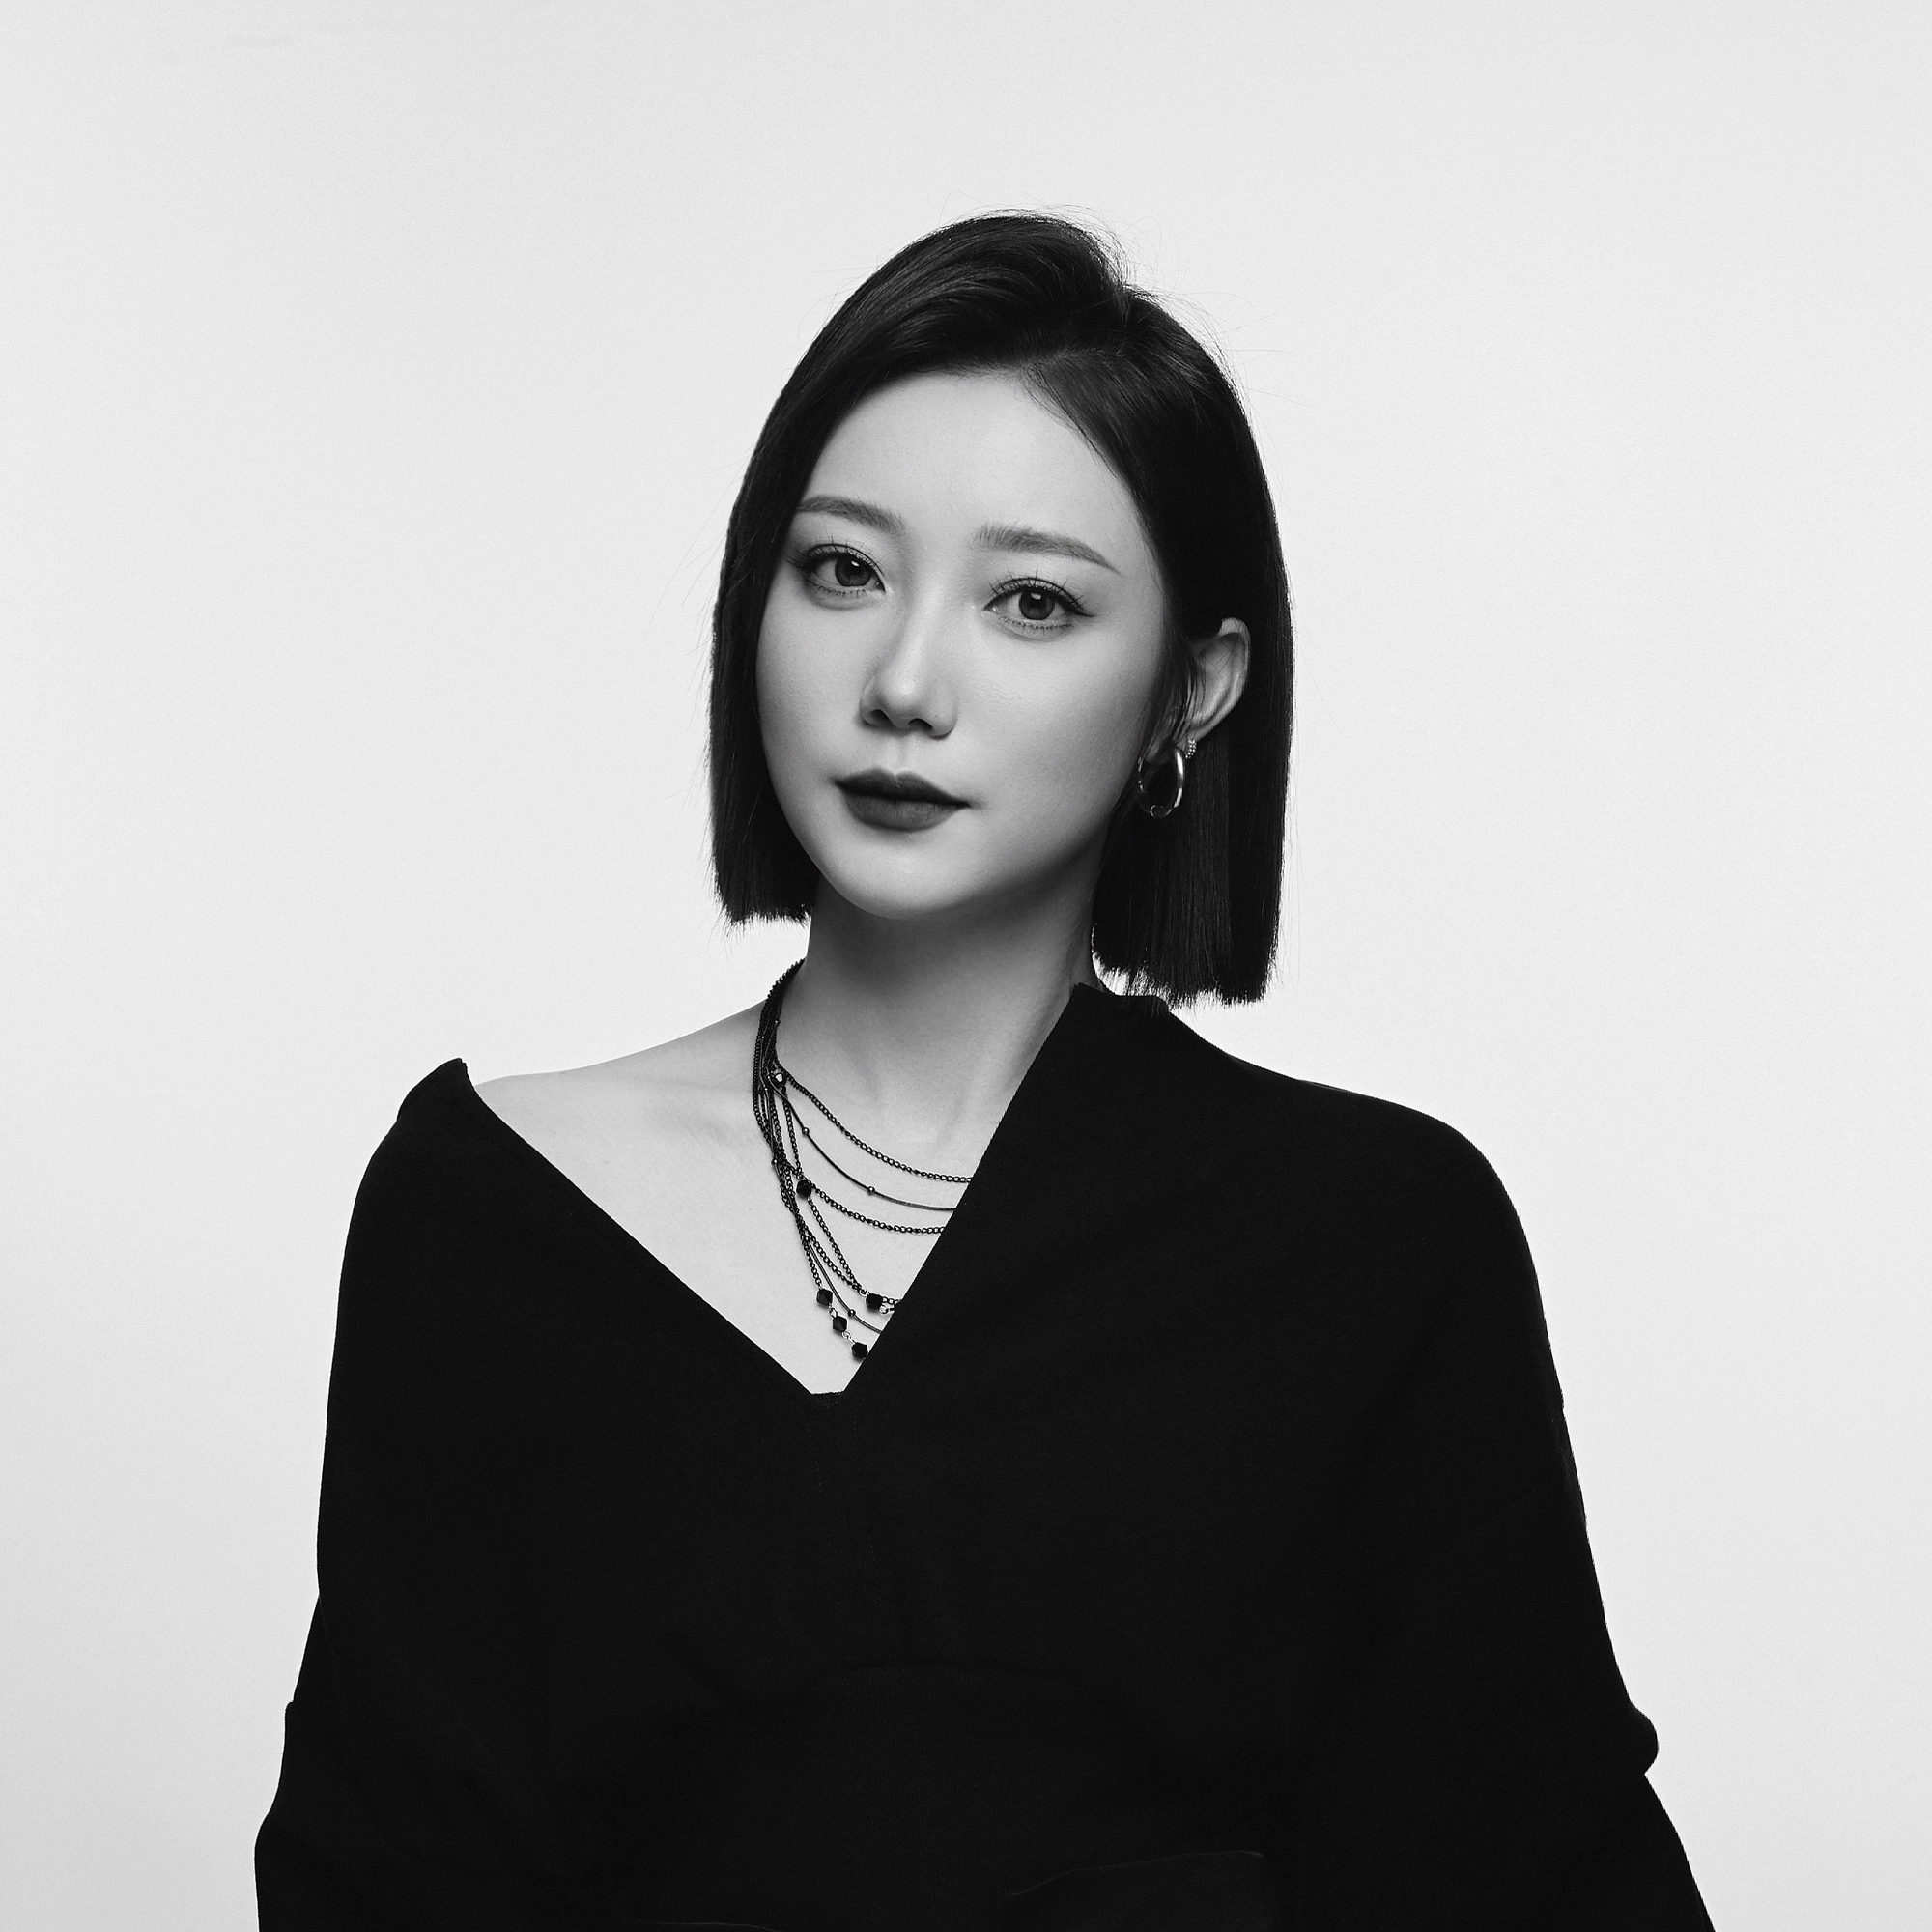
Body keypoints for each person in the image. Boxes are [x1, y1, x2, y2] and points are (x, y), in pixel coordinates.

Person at [256, 213, 1713, 1931]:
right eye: (841, 572)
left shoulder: (1374, 1246)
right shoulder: (485, 1220)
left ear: (1192, 689)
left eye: (1033, 602)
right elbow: (377, 1879)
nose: (903, 683)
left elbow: (1533, 1874)